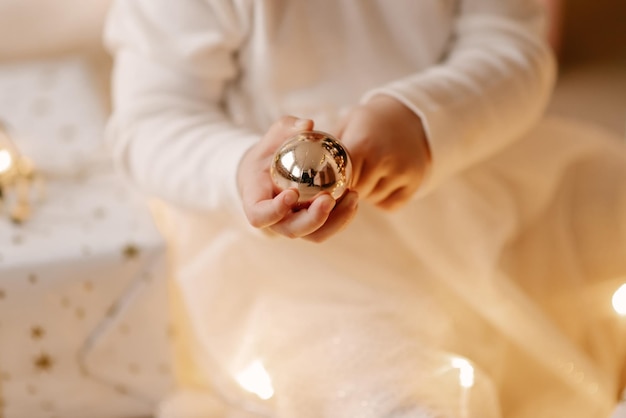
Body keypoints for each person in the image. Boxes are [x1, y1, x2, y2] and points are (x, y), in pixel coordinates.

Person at [104, 1, 626, 417]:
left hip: (473, 179)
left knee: (607, 218)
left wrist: (424, 117)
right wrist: (240, 166)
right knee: (372, 380)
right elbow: (150, 121)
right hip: (290, 263)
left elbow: (516, 49)